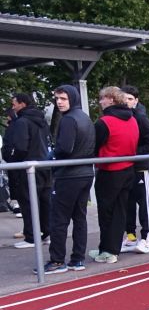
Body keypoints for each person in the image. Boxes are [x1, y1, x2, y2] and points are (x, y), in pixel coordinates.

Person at [42, 85, 96, 273]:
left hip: (68, 175)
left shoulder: (69, 119)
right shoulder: (85, 118)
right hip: (86, 173)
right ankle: (77, 259)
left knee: (59, 219)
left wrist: (51, 156)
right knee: (79, 217)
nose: (59, 102)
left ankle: (57, 261)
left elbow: (64, 148)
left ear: (72, 99)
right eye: (57, 99)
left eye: (63, 98)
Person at [90, 86, 138, 264]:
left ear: (110, 99)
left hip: (109, 171)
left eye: (102, 98)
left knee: (106, 213)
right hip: (128, 169)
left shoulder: (104, 122)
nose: (100, 102)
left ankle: (107, 250)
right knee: (120, 211)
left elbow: (94, 146)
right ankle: (112, 249)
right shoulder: (132, 119)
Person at [2, 93, 51, 249]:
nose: (13, 107)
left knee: (28, 202)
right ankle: (46, 234)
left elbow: (21, 147)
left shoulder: (22, 122)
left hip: (28, 166)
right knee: (44, 201)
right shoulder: (41, 120)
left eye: (14, 104)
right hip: (44, 165)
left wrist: (13, 160)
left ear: (22, 104)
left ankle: (31, 237)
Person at [119, 85, 149, 254]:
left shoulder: (141, 118)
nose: (127, 102)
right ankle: (130, 237)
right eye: (124, 99)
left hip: (141, 168)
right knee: (127, 204)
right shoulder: (120, 118)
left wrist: (134, 154)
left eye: (130, 99)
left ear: (136, 101)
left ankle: (145, 238)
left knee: (143, 204)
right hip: (125, 168)